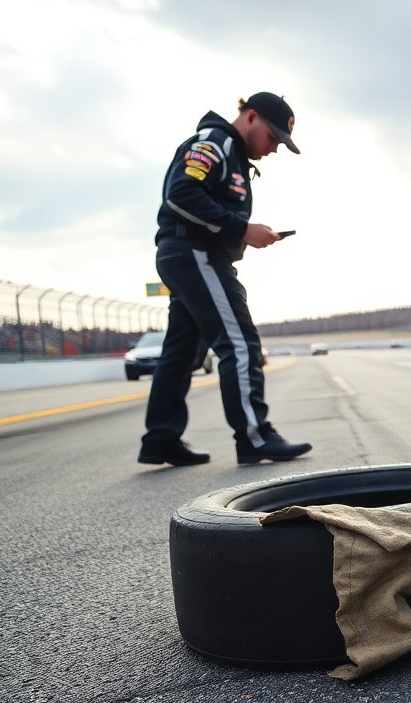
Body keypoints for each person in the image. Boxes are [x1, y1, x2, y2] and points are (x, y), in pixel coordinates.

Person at [138, 92, 312, 467]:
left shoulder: (232, 155)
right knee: (240, 343)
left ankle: (161, 440)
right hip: (194, 255)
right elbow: (180, 194)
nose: (275, 149)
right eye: (273, 137)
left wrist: (242, 233)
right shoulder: (214, 145)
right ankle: (255, 436)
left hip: (190, 255)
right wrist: (242, 229)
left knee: (182, 352)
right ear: (251, 117)